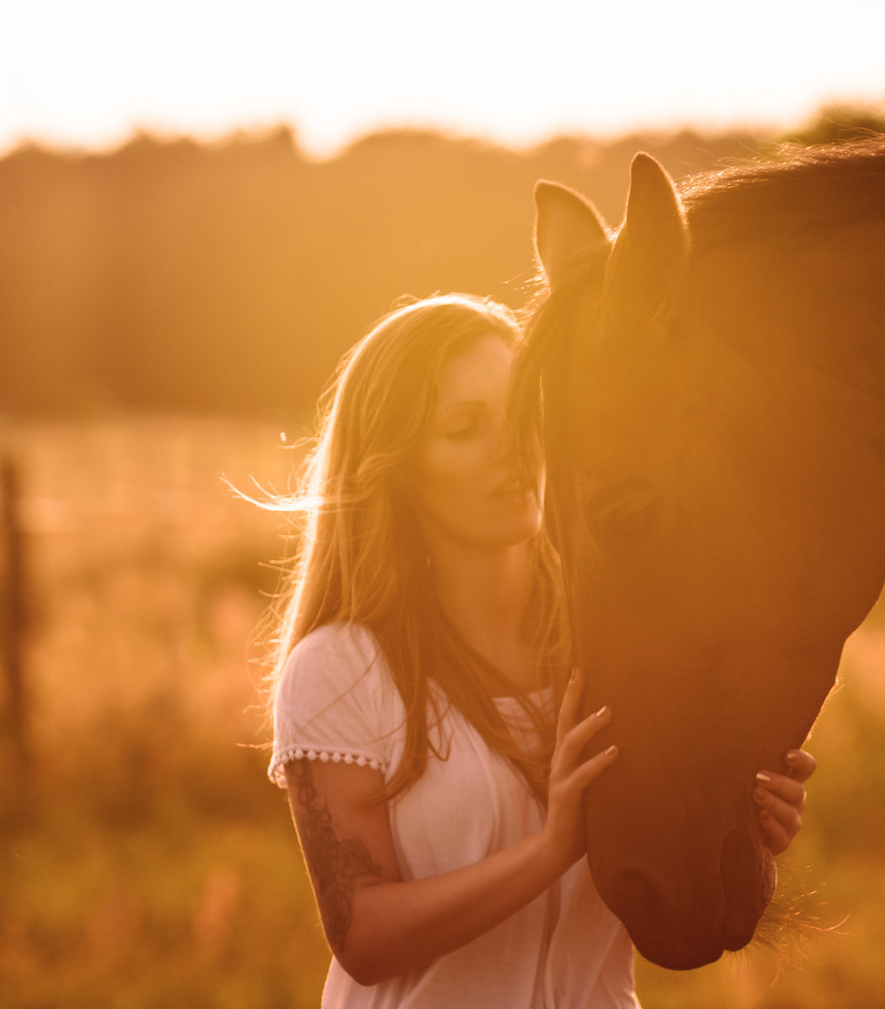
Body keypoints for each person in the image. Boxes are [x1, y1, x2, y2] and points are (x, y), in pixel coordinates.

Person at [265, 294, 815, 1008]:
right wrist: (548, 852)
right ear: (394, 467)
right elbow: (363, 936)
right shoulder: (343, 670)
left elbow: (667, 886)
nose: (513, 448)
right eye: (465, 428)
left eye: (524, 416)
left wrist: (743, 823)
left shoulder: (608, 643)